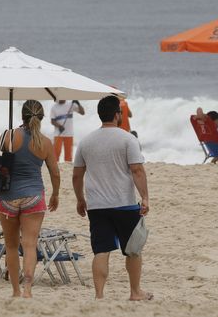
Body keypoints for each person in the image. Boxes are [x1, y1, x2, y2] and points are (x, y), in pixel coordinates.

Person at [72, 95, 152, 301]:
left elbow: (77, 175)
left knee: (101, 250)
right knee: (132, 250)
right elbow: (137, 170)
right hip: (124, 204)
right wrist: (145, 198)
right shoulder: (127, 139)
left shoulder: (86, 141)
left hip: (97, 206)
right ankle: (135, 293)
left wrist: (80, 199)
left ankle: (99, 295)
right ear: (118, 114)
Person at [0, 100, 60, 298]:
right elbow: (55, 173)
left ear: (22, 115)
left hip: (7, 198)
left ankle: (15, 291)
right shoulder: (45, 143)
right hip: (34, 197)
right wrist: (55, 194)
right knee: (30, 244)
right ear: (41, 118)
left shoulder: (7, 136)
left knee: (12, 246)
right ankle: (28, 289)